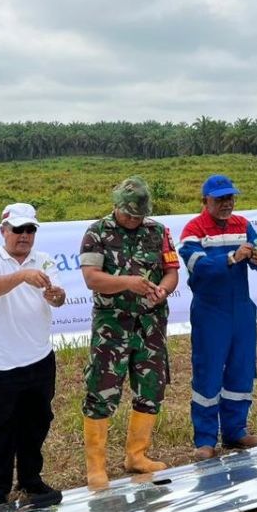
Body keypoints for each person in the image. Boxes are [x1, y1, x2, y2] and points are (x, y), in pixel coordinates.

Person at [79, 176, 179, 489]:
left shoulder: (159, 231)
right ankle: (96, 467)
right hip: (113, 325)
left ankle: (137, 455)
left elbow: (172, 271)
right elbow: (92, 278)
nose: (134, 220)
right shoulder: (97, 232)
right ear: (116, 206)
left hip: (150, 325)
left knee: (151, 387)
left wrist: (162, 290)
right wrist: (128, 282)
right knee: (103, 390)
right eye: (129, 215)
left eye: (139, 216)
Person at [0, 203, 66, 507]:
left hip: (39, 357)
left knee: (37, 423)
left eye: (30, 230)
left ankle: (30, 481)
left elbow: (59, 299)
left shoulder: (46, 261)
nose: (24, 236)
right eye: (18, 230)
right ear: (4, 231)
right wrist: (22, 275)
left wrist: (57, 296)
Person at [178, 175, 257, 459]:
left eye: (230, 198)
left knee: (241, 370)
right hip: (210, 311)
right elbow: (199, 267)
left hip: (241, 309)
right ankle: (205, 439)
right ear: (205, 201)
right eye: (219, 199)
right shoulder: (193, 230)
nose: (226, 204)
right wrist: (231, 258)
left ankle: (235, 431)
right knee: (208, 373)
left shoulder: (243, 225)